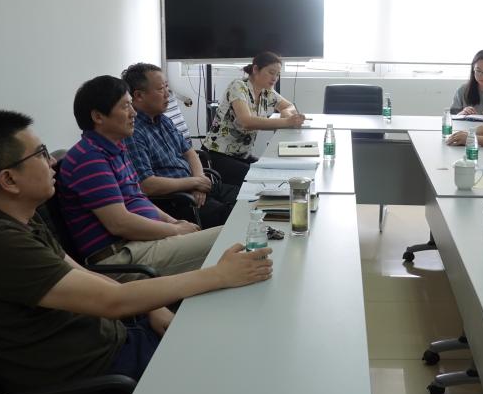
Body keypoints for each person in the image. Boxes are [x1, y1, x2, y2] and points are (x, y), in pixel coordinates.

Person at [0, 110, 272, 394]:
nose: (52, 163)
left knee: (232, 355)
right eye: (41, 154)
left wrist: (151, 307)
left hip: (115, 347)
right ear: (9, 180)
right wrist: (217, 275)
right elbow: (112, 302)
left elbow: (85, 276)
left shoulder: (19, 220)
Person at [58, 75, 221, 279]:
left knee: (227, 238)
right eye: (125, 106)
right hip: (121, 257)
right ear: (98, 117)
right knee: (230, 238)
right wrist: (176, 231)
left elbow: (138, 198)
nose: (134, 112)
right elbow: (120, 223)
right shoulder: (89, 158)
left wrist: (175, 223)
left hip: (143, 243)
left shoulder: (115, 148)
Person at [121, 63, 238, 229]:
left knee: (248, 198)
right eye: (161, 89)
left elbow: (190, 152)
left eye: (167, 86)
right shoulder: (134, 133)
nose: (167, 93)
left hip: (195, 188)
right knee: (235, 217)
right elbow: (147, 185)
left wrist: (198, 180)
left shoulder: (163, 120)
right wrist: (193, 183)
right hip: (177, 201)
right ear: (139, 96)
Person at [201, 51, 305, 186]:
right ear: (256, 69)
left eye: (278, 74)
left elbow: (289, 106)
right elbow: (246, 122)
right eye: (271, 72)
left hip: (241, 156)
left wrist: (286, 112)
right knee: (262, 179)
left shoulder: (267, 92)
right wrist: (286, 122)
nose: (275, 78)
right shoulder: (238, 86)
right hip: (217, 156)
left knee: (274, 172)